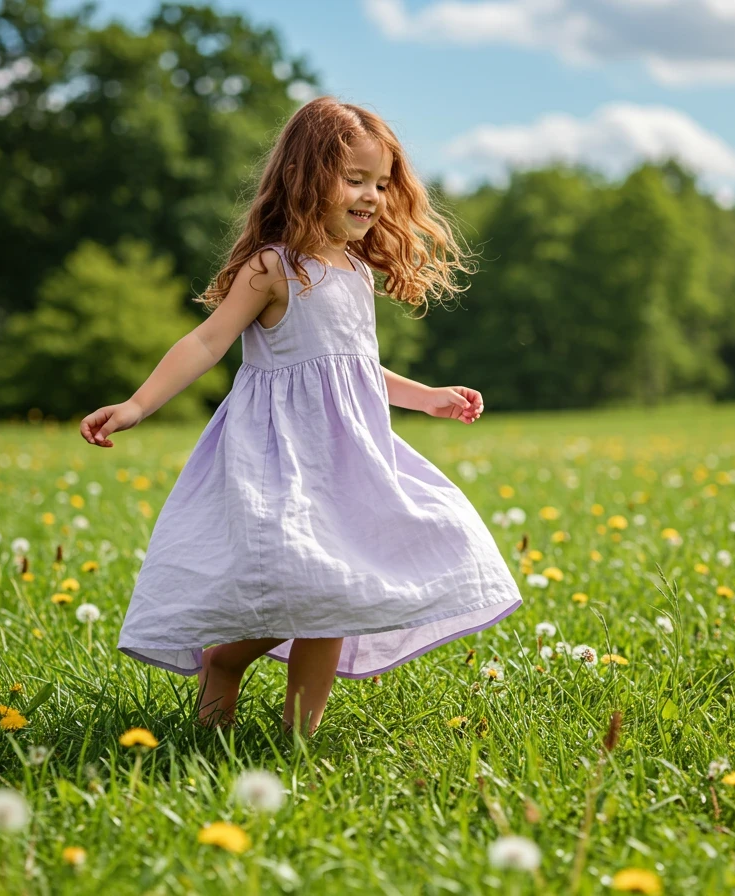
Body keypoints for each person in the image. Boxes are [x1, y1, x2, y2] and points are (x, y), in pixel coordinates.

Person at [80, 96, 523, 737]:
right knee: (308, 591)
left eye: (380, 183)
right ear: (307, 176)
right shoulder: (274, 268)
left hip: (352, 462)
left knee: (336, 594)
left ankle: (298, 743)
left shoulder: (355, 272)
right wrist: (137, 404)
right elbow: (207, 342)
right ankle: (221, 676)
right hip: (284, 458)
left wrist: (425, 395)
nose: (371, 196)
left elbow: (354, 368)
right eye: (354, 179)